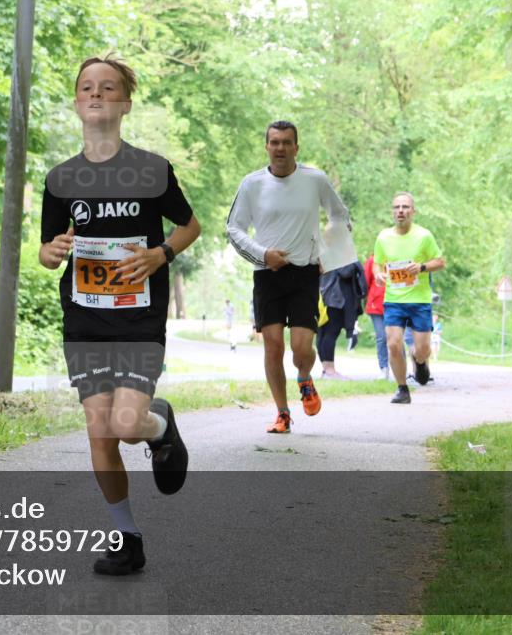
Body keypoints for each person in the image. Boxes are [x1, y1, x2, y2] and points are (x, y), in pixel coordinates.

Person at [39, 54, 201, 575]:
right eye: (87, 87)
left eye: (108, 88)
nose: (96, 94)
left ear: (125, 104)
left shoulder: (152, 169)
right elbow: (46, 249)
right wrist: (51, 252)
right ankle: (128, 539)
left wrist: (161, 254)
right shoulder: (60, 179)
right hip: (85, 319)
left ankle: (161, 427)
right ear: (76, 103)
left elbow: (189, 226)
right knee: (101, 434)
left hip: (139, 317)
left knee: (128, 425)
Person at [226, 121, 351, 433]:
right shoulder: (252, 184)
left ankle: (305, 377)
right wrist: (262, 254)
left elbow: (340, 216)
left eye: (286, 142)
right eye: (274, 142)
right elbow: (234, 228)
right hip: (267, 274)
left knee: (300, 348)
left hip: (304, 273)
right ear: (267, 146)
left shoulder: (315, 180)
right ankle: (282, 413)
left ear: (297, 147)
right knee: (272, 346)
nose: (280, 148)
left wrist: (328, 254)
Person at [373, 192, 445, 404]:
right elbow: (378, 262)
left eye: (405, 207)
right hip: (394, 299)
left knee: (422, 349)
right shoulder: (383, 237)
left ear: (413, 211)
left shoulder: (424, 236)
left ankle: (420, 361)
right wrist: (378, 273)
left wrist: (422, 267)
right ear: (392, 212)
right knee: (393, 344)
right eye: (396, 207)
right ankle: (402, 388)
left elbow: (440, 262)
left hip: (419, 300)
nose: (400, 211)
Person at [316, 260, 366, 379]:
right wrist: (354, 262)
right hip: (335, 299)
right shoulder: (338, 254)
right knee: (330, 333)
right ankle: (330, 371)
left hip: (322, 296)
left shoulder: (320, 251)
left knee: (322, 334)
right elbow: (346, 272)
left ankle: (326, 369)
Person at [364, 253, 390, 379]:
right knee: (381, 337)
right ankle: (384, 368)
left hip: (396, 303)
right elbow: (366, 280)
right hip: (376, 304)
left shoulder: (398, 257)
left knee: (396, 338)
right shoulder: (373, 260)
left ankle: (400, 368)